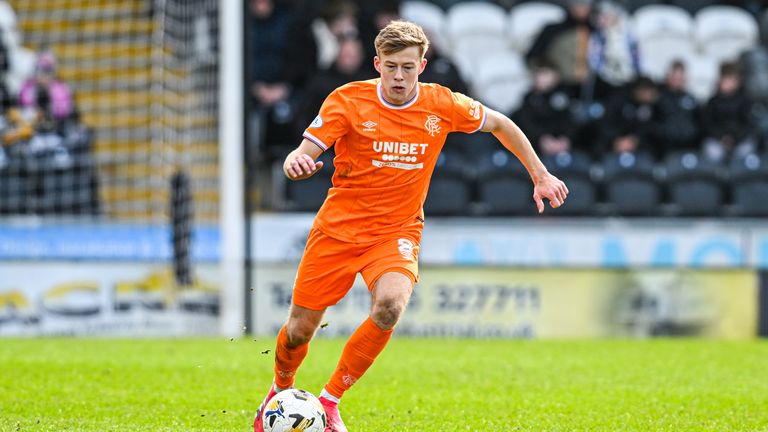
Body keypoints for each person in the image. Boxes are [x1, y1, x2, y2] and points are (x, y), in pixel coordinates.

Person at [253, 21, 568, 432]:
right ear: (376, 64)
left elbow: (501, 125)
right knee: (298, 331)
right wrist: (296, 161)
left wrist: (540, 175)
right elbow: (307, 148)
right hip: (338, 230)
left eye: (407, 67)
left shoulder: (442, 104)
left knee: (390, 307)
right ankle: (279, 391)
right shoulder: (347, 100)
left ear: (422, 64)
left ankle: (330, 401)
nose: (398, 77)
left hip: (396, 231)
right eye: (390, 67)